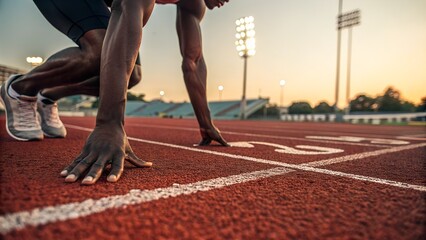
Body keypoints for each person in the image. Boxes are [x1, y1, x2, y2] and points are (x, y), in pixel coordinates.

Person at [0, 0, 230, 185]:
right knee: (100, 52)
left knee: (133, 74)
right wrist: (109, 124)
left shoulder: (195, 4)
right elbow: (128, 6)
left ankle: (48, 95)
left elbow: (193, 60)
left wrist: (206, 122)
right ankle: (20, 89)